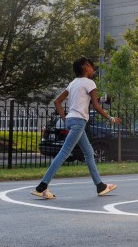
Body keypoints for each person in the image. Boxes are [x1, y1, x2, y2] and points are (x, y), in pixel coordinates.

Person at [32, 56, 120, 199]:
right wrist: (111, 118)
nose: (93, 70)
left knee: (88, 153)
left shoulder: (72, 83)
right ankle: (42, 186)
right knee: (64, 153)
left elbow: (57, 102)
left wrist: (65, 119)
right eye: (92, 67)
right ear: (86, 68)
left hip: (72, 120)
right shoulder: (90, 83)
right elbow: (96, 106)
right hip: (79, 122)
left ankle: (100, 186)